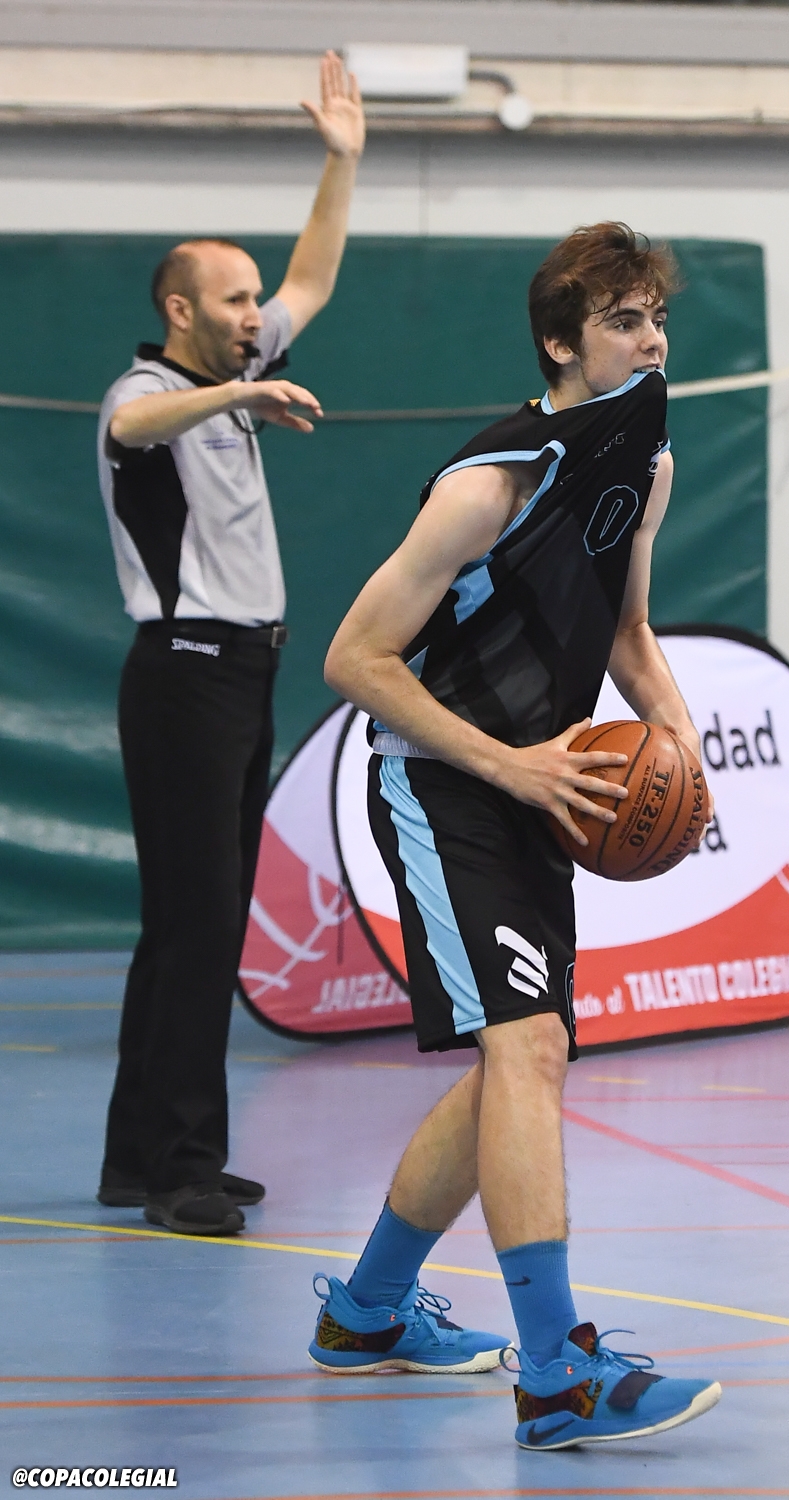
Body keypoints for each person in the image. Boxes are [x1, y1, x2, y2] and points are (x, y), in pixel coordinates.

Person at [314, 222, 721, 1450]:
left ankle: (369, 1312)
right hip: (443, 780)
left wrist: (680, 742)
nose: (649, 342)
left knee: (516, 1061)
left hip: (548, 784)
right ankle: (553, 1375)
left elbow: (626, 630)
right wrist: (510, 766)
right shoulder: (489, 482)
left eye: (656, 319)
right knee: (529, 1049)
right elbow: (354, 660)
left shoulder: (641, 463)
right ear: (558, 343)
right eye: (621, 322)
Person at [95, 54, 365, 1237]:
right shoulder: (144, 395)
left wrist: (340, 162)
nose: (258, 315)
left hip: (244, 676)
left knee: (185, 927)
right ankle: (183, 1172)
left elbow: (315, 273)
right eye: (236, 300)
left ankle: (134, 1158)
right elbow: (140, 421)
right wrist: (235, 399)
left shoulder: (239, 364)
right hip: (183, 678)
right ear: (180, 310)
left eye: (255, 301)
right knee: (201, 930)